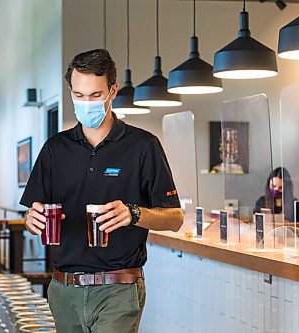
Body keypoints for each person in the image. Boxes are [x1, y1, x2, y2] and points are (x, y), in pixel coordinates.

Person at [20, 49, 184, 333]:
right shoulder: (54, 149)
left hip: (118, 289)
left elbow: (175, 218)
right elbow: (35, 216)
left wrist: (133, 214)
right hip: (64, 289)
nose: (86, 103)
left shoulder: (143, 146)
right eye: (79, 95)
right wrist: (31, 222)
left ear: (112, 91)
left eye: (95, 95)